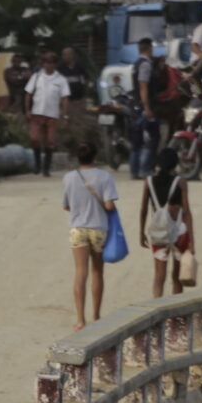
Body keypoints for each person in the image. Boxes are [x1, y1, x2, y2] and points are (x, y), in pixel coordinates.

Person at [61, 141, 120, 330]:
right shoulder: (104, 177)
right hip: (98, 228)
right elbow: (109, 206)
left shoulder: (69, 178)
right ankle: (96, 315)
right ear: (95, 157)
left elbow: (66, 206)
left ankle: (80, 319)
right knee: (97, 271)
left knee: (80, 273)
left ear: (78, 157)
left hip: (78, 228)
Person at [139, 148, 195, 298]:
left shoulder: (149, 182)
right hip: (179, 232)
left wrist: (141, 233)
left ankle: (156, 309)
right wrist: (192, 242)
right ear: (175, 164)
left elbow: (143, 210)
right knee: (177, 278)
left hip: (159, 232)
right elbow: (187, 211)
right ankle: (175, 320)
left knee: (159, 277)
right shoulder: (181, 182)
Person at [24, 49, 70, 176]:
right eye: (46, 62)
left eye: (51, 63)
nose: (48, 65)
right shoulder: (36, 77)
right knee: (34, 139)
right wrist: (27, 110)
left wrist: (65, 115)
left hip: (52, 115)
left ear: (55, 64)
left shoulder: (61, 80)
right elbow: (28, 94)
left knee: (50, 141)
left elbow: (65, 98)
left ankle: (46, 168)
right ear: (43, 63)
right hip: (37, 113)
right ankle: (37, 164)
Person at [130, 37, 165, 178]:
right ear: (150, 49)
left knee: (137, 139)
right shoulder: (146, 65)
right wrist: (147, 108)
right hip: (145, 107)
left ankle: (134, 171)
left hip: (137, 106)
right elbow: (143, 87)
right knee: (154, 137)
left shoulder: (136, 64)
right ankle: (146, 169)